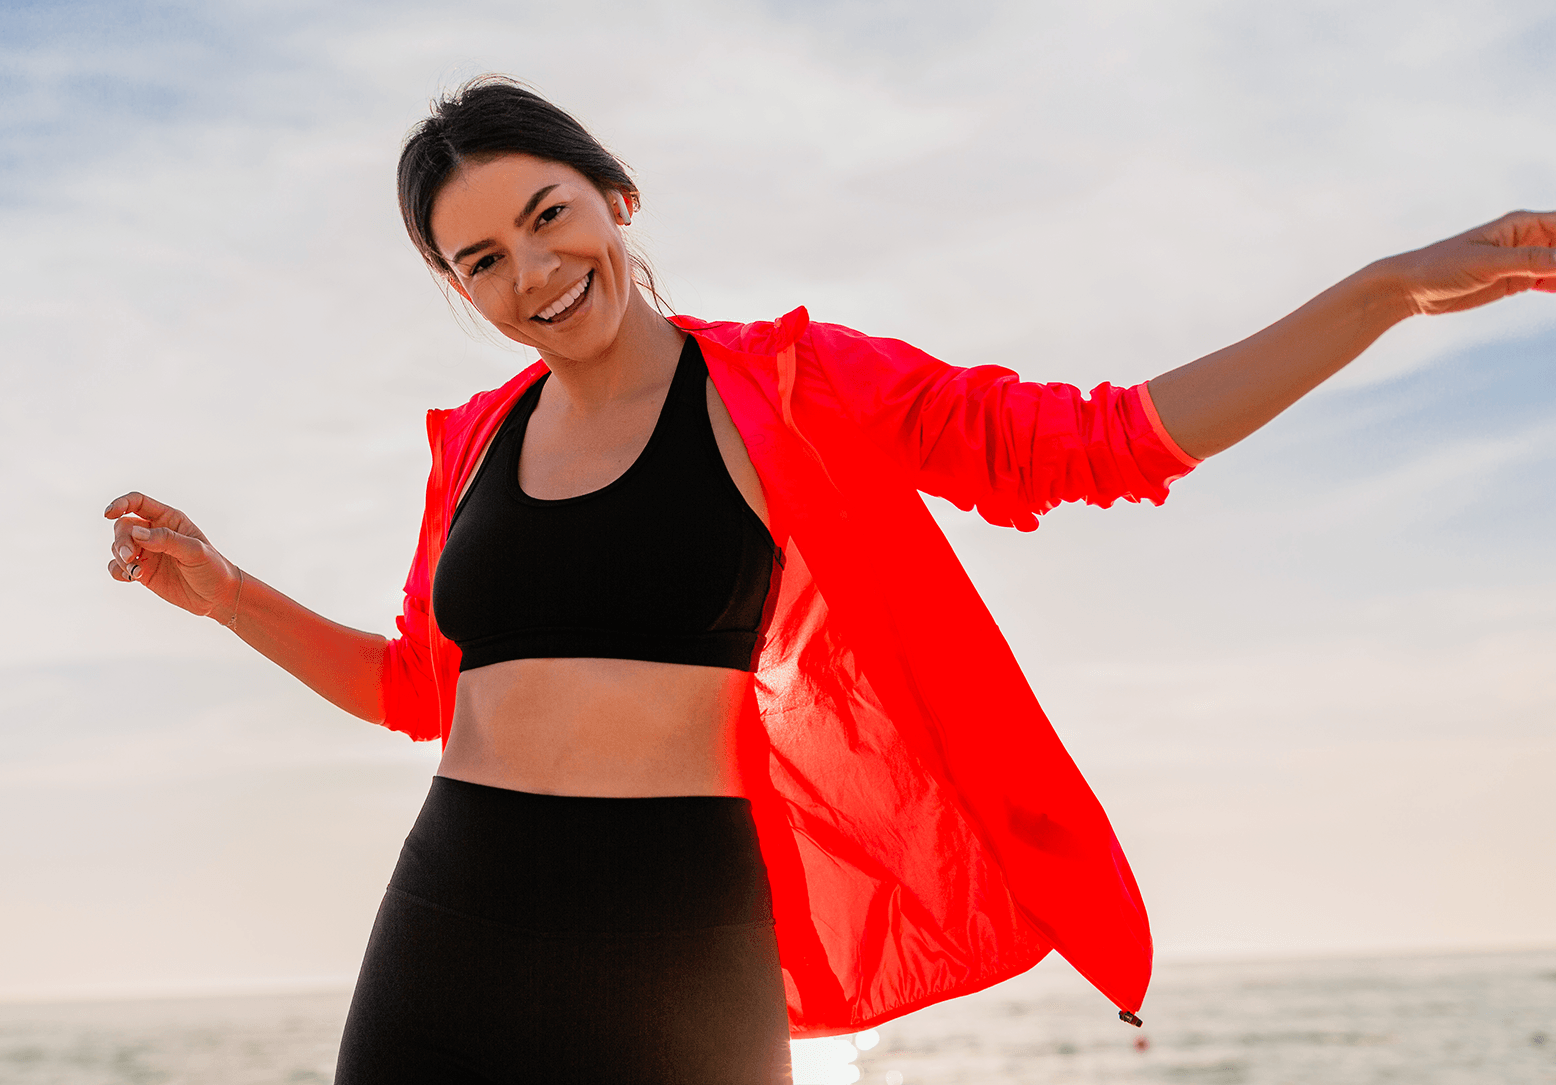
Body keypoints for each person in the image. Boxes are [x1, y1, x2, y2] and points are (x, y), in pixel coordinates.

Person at [104, 77, 1553, 1084]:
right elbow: (425, 686)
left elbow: (1094, 441)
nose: (532, 271)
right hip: (450, 913)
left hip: (679, 933)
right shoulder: (474, 445)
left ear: (614, 196)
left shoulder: (794, 387)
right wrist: (228, 593)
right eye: (480, 259)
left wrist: (1388, 291)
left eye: (549, 215)